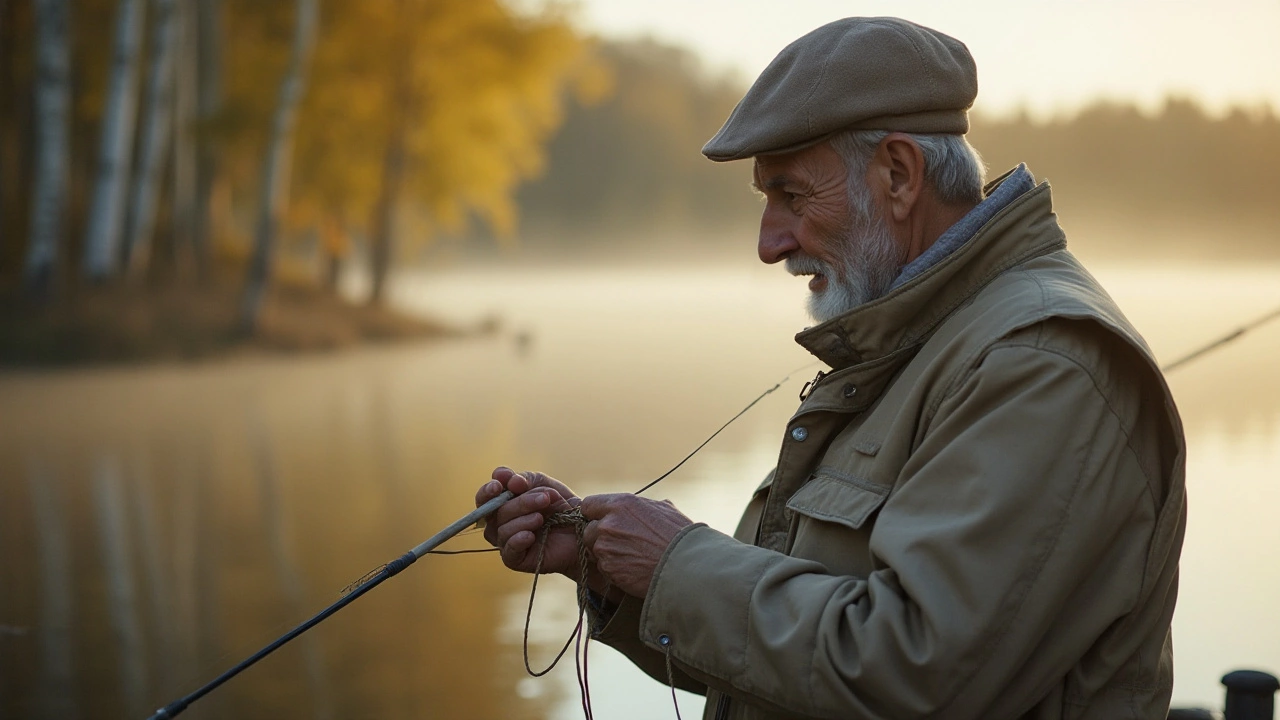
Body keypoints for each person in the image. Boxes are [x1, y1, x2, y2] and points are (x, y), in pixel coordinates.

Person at [476, 16, 1186, 720]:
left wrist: (677, 565)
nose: (769, 244)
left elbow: (920, 675)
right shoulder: (914, 342)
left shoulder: (1044, 363)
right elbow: (794, 665)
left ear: (900, 176)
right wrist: (608, 568)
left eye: (791, 195)